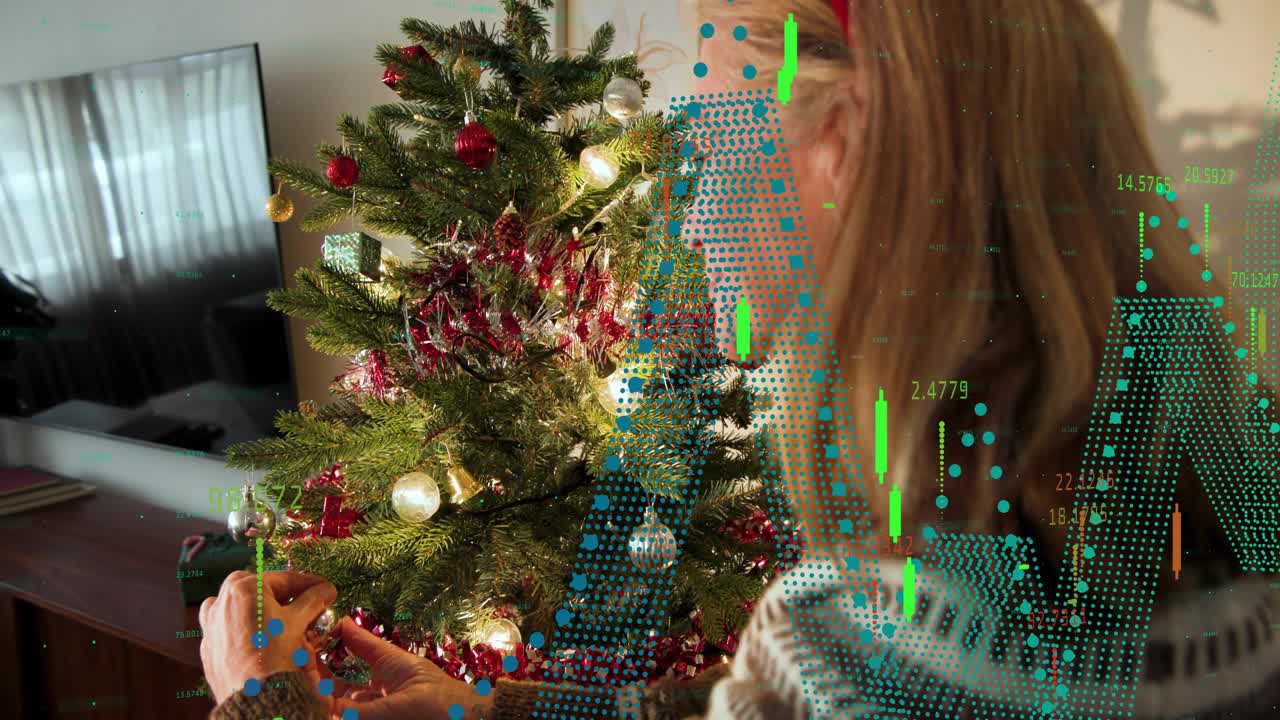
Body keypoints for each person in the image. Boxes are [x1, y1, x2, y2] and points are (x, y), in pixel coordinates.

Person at [202, 0, 1279, 718]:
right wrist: (482, 708)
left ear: (840, 147)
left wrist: (264, 699)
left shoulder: (865, 643)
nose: (689, 205)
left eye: (705, 137)